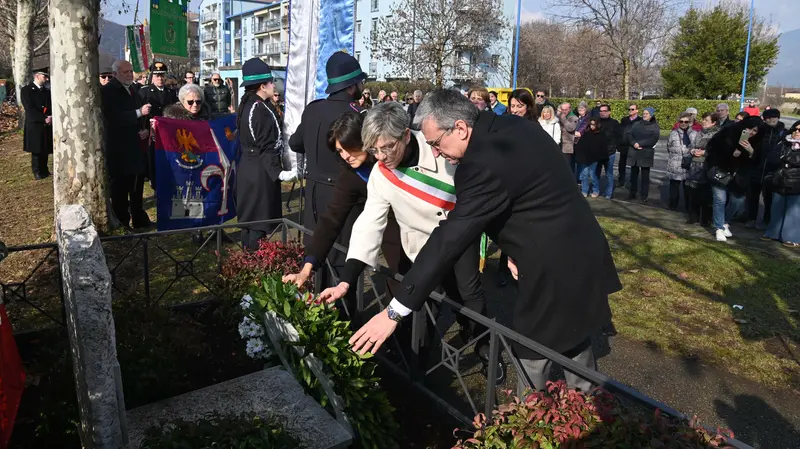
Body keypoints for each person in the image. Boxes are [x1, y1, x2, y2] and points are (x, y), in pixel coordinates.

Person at [348, 90, 621, 396]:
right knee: (572, 334)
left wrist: (394, 311)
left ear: (461, 128)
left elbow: (450, 239)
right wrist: (517, 247)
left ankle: (530, 424)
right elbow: (531, 196)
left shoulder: (480, 164)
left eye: (436, 143)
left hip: (554, 263)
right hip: (577, 247)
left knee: (532, 350)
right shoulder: (511, 128)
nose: (436, 153)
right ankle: (584, 412)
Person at [318, 101, 498, 380]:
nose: (379, 157)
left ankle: (486, 349)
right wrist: (347, 278)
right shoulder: (381, 172)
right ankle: (412, 369)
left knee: (469, 297)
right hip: (422, 246)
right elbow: (369, 223)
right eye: (373, 150)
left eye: (386, 147)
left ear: (405, 134)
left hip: (460, 237)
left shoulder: (440, 148)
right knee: (421, 305)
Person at [288, 51, 367, 287]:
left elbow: (295, 143)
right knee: (343, 258)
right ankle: (344, 318)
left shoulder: (313, 109)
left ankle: (319, 311)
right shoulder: (357, 116)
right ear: (352, 86)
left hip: (313, 192)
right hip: (345, 194)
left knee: (315, 251)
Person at [236, 58, 284, 249]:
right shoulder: (259, 108)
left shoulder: (249, 104)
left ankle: (247, 266)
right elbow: (266, 146)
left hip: (250, 168)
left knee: (250, 223)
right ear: (263, 86)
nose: (274, 85)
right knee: (257, 225)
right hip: (260, 171)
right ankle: (255, 268)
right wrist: (278, 172)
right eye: (271, 81)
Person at [100, 60, 152, 229]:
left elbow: (139, 115)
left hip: (135, 144)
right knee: (120, 188)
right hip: (119, 147)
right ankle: (122, 220)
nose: (130, 74)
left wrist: (144, 129)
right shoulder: (108, 91)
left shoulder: (132, 89)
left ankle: (139, 217)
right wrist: (138, 112)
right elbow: (113, 117)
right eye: (126, 72)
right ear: (115, 74)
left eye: (131, 71)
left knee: (136, 185)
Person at [704, 116, 763, 242]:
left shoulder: (757, 141)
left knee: (738, 201)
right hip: (721, 172)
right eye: (749, 129)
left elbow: (758, 161)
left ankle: (725, 221)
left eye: (754, 131)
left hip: (739, 177)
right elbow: (712, 151)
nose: (751, 133)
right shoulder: (727, 133)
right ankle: (719, 228)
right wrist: (732, 152)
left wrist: (751, 151)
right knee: (720, 200)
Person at [763, 120, 800, 248]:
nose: (796, 132)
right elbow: (772, 157)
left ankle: (792, 238)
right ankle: (772, 233)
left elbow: (794, 160)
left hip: (797, 182)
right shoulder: (784, 142)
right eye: (795, 129)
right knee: (777, 208)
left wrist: (786, 158)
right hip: (780, 179)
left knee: (793, 211)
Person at [683, 112, 720, 226]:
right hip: (694, 166)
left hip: (707, 167)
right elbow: (691, 146)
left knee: (706, 194)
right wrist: (693, 151)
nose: (703, 122)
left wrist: (705, 152)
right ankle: (693, 216)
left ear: (713, 122)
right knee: (693, 193)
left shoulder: (717, 134)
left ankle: (706, 219)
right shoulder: (698, 133)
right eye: (703, 119)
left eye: (707, 120)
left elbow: (718, 151)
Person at [20, 70, 52, 180]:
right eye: (45, 77)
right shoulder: (27, 90)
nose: (47, 79)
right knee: (36, 149)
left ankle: (45, 169)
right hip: (35, 123)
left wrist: (50, 116)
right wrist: (43, 118)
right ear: (37, 76)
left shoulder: (46, 91)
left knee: (45, 148)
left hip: (47, 123)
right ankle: (37, 171)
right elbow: (29, 108)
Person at [625, 107, 660, 203]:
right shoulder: (636, 124)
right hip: (634, 151)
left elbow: (654, 139)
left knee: (645, 175)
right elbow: (629, 134)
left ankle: (644, 195)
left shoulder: (655, 126)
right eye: (644, 113)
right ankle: (632, 193)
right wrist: (634, 143)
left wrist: (641, 144)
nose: (644, 115)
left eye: (647, 113)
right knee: (633, 174)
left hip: (645, 153)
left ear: (651, 115)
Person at [666, 112, 698, 211]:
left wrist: (688, 153)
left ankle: (688, 207)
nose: (683, 123)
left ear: (690, 122)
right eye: (681, 121)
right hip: (675, 164)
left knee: (688, 188)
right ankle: (673, 206)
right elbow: (668, 146)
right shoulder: (673, 133)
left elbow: (696, 147)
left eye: (686, 122)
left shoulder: (695, 134)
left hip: (689, 164)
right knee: (674, 187)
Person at [575, 118, 608, 198]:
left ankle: (596, 190)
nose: (592, 126)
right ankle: (584, 190)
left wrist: (600, 156)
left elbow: (602, 146)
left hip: (594, 157)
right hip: (585, 157)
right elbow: (581, 144)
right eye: (591, 124)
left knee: (592, 174)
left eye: (593, 124)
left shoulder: (601, 134)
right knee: (584, 174)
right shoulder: (587, 133)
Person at [596, 104, 619, 199]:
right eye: (601, 111)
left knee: (609, 174)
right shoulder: (596, 122)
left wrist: (614, 147)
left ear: (609, 112)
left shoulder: (614, 123)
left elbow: (618, 137)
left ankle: (608, 194)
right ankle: (596, 190)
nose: (602, 113)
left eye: (604, 111)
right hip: (597, 152)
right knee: (595, 173)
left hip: (610, 152)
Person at [618, 104, 641, 187]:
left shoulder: (640, 120)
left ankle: (633, 182)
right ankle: (621, 180)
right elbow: (621, 132)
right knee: (621, 164)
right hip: (624, 146)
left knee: (634, 166)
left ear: (637, 110)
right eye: (629, 109)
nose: (630, 111)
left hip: (633, 146)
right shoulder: (624, 120)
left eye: (632, 109)